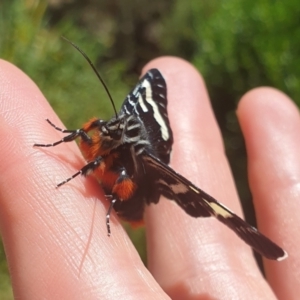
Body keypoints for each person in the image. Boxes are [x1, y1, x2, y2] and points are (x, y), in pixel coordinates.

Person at [0, 57, 297, 299]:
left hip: (131, 197)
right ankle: (62, 148)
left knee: (120, 167)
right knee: (99, 143)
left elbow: (125, 169)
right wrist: (67, 139)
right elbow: (91, 125)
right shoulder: (113, 132)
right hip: (125, 174)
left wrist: (83, 175)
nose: (106, 128)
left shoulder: (139, 158)